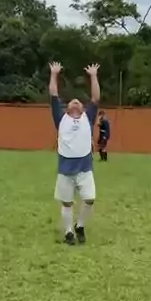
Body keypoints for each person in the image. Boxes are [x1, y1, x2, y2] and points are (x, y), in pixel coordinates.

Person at [49, 61, 100, 244]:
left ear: (83, 108)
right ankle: (69, 233)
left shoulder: (88, 118)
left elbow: (95, 98)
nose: (76, 101)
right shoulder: (61, 119)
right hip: (65, 169)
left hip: (84, 168)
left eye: (79, 101)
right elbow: (53, 94)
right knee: (67, 203)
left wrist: (93, 76)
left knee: (90, 199)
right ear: (68, 107)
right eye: (72, 101)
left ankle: (80, 226)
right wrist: (54, 74)